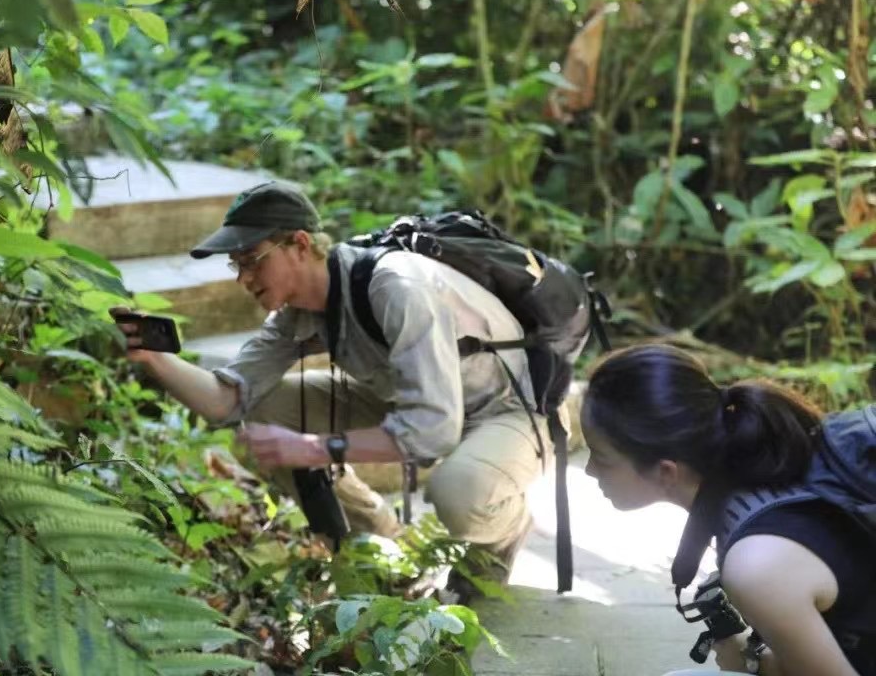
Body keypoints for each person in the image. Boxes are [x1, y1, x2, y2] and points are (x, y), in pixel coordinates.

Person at [116, 181, 550, 582]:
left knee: (458, 490)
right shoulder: (296, 314)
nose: (242, 278)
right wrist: (155, 359)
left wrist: (313, 449)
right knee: (267, 408)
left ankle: (502, 533)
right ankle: (378, 541)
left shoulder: (395, 286)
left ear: (300, 245)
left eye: (251, 260)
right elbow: (227, 400)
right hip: (411, 401)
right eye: (236, 264)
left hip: (505, 412)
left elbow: (432, 432)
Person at [580, 343, 875, 676]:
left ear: (666, 472)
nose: (590, 470)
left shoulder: (756, 565)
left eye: (601, 458)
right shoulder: (772, 463)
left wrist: (751, 662)